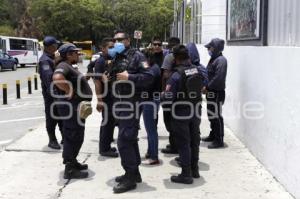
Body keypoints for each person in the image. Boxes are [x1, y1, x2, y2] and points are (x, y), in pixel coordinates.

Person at [109, 31, 154, 194]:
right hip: (120, 103)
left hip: (131, 102)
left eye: (120, 39)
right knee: (130, 139)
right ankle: (134, 173)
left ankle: (130, 177)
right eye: (115, 40)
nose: (117, 42)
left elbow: (149, 77)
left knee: (123, 141)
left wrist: (130, 77)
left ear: (128, 40)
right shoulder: (117, 57)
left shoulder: (138, 56)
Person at [162, 45, 207, 184]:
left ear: (175, 59)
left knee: (183, 143)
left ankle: (186, 174)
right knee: (195, 140)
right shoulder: (197, 70)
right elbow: (203, 86)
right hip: (196, 110)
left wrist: (163, 95)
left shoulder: (175, 76)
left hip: (181, 112)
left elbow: (168, 97)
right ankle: (195, 169)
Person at [52, 43, 93, 179]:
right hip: (71, 107)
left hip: (76, 107)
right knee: (72, 135)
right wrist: (69, 90)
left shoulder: (70, 65)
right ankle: (69, 168)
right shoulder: (63, 65)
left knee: (77, 135)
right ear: (68, 54)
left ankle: (73, 161)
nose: (78, 54)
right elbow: (57, 79)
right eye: (75, 52)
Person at [93, 37, 118, 157]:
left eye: (114, 47)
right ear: (103, 48)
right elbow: (97, 82)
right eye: (110, 47)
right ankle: (104, 149)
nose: (113, 49)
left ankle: (107, 145)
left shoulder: (112, 59)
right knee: (107, 122)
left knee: (111, 122)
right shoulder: (100, 62)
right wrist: (99, 100)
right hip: (106, 97)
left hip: (113, 97)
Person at [38, 36, 63, 150]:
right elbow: (49, 80)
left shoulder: (52, 57)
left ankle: (65, 137)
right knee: (52, 117)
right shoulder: (45, 60)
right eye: (55, 45)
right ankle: (52, 140)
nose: (57, 47)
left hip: (58, 92)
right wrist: (55, 96)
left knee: (61, 116)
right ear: (51, 47)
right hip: (51, 94)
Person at [202, 38, 227, 149]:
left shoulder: (221, 60)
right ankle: (213, 135)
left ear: (215, 48)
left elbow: (219, 78)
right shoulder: (213, 59)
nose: (208, 49)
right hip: (211, 92)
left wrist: (207, 87)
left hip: (216, 92)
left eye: (210, 47)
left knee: (216, 116)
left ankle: (219, 139)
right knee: (211, 115)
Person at [160, 37, 180, 154]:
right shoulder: (185, 56)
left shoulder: (168, 57)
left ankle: (174, 146)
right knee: (176, 118)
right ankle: (174, 143)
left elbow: (165, 75)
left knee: (169, 119)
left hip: (169, 91)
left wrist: (163, 91)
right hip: (181, 93)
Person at [141, 48, 161, 165]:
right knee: (150, 129)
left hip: (150, 101)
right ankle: (150, 152)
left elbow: (145, 82)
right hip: (152, 100)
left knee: (151, 130)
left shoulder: (152, 70)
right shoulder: (154, 67)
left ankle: (154, 157)